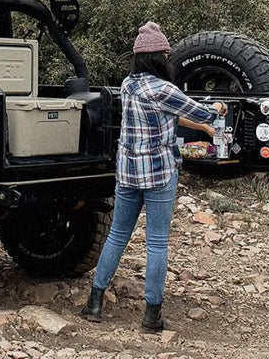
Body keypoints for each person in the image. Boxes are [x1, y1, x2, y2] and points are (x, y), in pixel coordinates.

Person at [80, 21, 227, 331]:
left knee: (117, 235)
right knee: (157, 243)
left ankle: (94, 302)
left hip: (127, 172)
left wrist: (201, 126)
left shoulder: (128, 85)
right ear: (160, 56)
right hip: (159, 173)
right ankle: (151, 315)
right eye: (167, 54)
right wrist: (217, 108)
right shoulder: (163, 89)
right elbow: (201, 111)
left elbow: (171, 113)